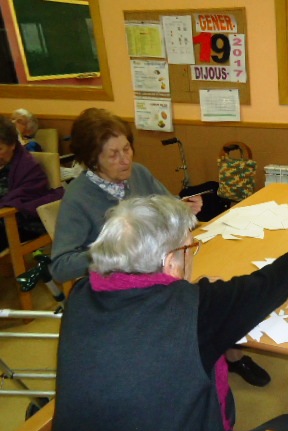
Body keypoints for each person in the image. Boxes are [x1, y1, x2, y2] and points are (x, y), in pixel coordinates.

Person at [42, 195, 288, 431]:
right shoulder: (198, 311)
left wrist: (194, 290)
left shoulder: (81, 294)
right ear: (171, 263)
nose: (192, 254)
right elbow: (267, 286)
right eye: (189, 248)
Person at [50, 108, 269, 387]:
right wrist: (112, 250)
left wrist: (183, 209)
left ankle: (232, 356)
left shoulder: (138, 174)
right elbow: (61, 266)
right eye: (113, 154)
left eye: (126, 148)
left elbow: (169, 207)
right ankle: (202, 364)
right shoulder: (79, 197)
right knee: (206, 298)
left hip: (164, 267)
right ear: (93, 160)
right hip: (123, 290)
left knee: (221, 281)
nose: (125, 159)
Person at [0, 116, 62, 251]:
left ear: (12, 145)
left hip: (18, 223)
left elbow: (25, 200)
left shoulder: (28, 167)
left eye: (0, 149)